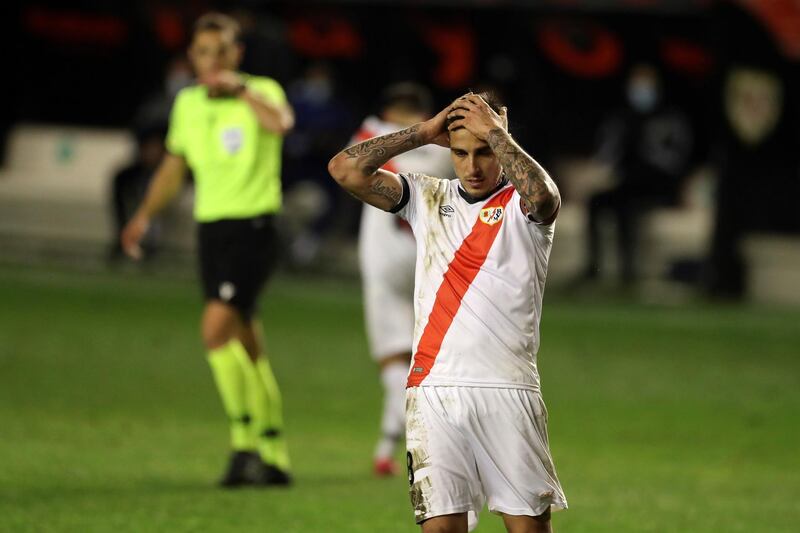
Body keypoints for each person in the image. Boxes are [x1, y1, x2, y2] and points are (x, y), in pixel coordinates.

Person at [328, 92, 567, 532]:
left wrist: (496, 133)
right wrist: (421, 132)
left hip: (506, 389)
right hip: (433, 390)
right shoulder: (427, 196)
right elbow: (344, 170)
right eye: (460, 153)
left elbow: (545, 196)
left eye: (484, 152)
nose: (472, 167)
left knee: (529, 528)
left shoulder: (522, 206)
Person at [121, 12, 294, 487]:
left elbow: (280, 124)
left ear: (237, 54)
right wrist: (143, 215)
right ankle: (274, 452)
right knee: (246, 340)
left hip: (254, 227)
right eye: (203, 52)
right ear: (192, 57)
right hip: (211, 232)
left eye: (221, 51)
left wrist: (240, 90)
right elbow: (174, 167)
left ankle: (243, 446)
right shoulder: (188, 103)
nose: (212, 60)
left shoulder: (262, 91)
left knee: (214, 329)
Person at [352, 83, 452, 476]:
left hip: (384, 259)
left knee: (394, 359)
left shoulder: (374, 134)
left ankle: (402, 444)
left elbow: (356, 162)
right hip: (430, 258)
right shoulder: (445, 153)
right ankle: (386, 446)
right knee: (426, 360)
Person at [582, 63, 695, 284]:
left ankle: (628, 273)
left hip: (658, 185)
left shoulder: (670, 118)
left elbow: (677, 159)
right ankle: (592, 269)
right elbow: (607, 155)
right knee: (597, 202)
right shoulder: (622, 118)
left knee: (627, 207)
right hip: (627, 184)